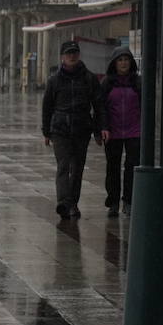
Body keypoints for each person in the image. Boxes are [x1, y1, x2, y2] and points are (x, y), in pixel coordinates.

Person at [41, 40, 104, 220]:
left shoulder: (89, 78)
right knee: (63, 165)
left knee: (77, 168)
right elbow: (47, 107)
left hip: (82, 128)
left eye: (74, 53)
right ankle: (63, 202)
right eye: (68, 53)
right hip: (60, 129)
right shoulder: (54, 80)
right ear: (62, 57)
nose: (72, 56)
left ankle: (73, 203)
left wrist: (98, 130)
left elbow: (98, 105)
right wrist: (46, 132)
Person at [100, 46, 141, 218]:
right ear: (114, 63)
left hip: (134, 131)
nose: (123, 63)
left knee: (132, 167)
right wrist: (103, 127)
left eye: (126, 60)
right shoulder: (107, 83)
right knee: (113, 168)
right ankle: (113, 202)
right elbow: (101, 107)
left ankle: (129, 201)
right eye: (120, 60)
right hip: (113, 132)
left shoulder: (138, 82)